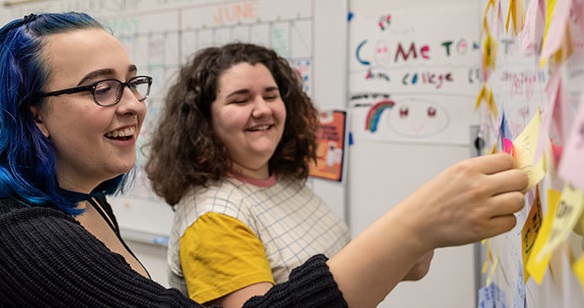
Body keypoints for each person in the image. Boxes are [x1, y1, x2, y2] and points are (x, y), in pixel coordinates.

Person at [0, 12, 528, 308]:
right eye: (102, 89)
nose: (135, 103)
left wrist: (399, 249)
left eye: (133, 83)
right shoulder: (30, 237)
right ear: (33, 114)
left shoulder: (86, 202)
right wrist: (411, 228)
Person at [144, 42, 434, 308]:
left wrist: (411, 239)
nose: (263, 109)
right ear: (204, 120)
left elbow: (341, 271)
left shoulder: (285, 181)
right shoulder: (213, 219)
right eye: (240, 100)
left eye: (271, 95)